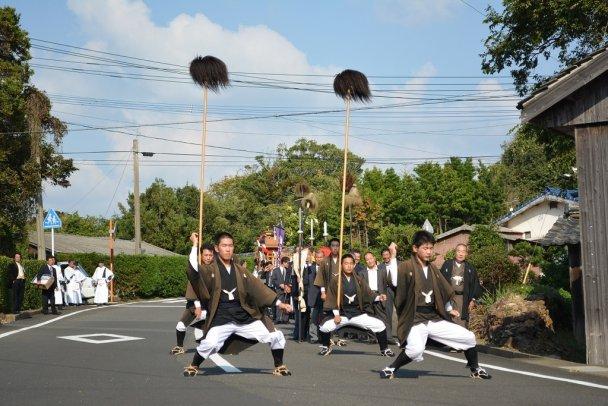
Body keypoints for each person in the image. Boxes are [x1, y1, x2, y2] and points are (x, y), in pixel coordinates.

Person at [380, 232, 491, 380]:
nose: (428, 251)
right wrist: (393, 256)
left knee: (469, 337)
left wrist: (449, 309)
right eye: (425, 248)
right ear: (415, 248)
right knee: (415, 349)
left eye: (431, 248)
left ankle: (475, 369)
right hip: (415, 320)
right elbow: (394, 281)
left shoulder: (433, 269)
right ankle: (391, 368)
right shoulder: (407, 266)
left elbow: (442, 292)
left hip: (433, 318)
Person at [183, 232, 294, 377]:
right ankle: (194, 365)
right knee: (210, 344)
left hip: (244, 317)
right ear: (217, 248)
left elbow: (258, 288)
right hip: (221, 318)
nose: (228, 249)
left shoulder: (240, 270)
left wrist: (280, 304)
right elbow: (194, 271)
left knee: (275, 336)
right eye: (224, 246)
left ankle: (279, 365)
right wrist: (195, 245)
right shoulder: (210, 269)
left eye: (230, 246)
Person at [318, 254, 394, 357]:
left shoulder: (359, 279)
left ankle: (384, 349)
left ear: (354, 265)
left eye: (351, 263)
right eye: (346, 263)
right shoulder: (336, 280)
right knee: (324, 327)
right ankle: (326, 347)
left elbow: (369, 294)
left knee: (380, 325)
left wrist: (379, 297)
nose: (348, 266)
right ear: (341, 265)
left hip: (358, 314)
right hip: (342, 314)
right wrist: (336, 314)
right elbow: (332, 298)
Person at [171, 243, 215, 355]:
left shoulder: (215, 269)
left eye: (210, 255)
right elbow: (194, 288)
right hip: (194, 304)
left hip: (209, 304)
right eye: (206, 255)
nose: (208, 257)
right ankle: (179, 346)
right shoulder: (197, 269)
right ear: (201, 255)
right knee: (180, 326)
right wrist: (195, 244)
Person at [440, 244, 481, 328]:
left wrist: (473, 299)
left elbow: (475, 284)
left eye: (463, 251)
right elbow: (440, 281)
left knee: (461, 321)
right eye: (459, 251)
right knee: (448, 321)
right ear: (455, 252)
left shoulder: (470, 268)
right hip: (448, 297)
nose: (461, 254)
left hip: (462, 298)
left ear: (466, 254)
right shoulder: (447, 264)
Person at [358, 251, 389, 327]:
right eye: (367, 259)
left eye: (371, 258)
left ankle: (385, 338)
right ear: (365, 261)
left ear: (374, 258)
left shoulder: (382, 271)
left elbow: (385, 285)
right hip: (368, 298)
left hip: (380, 296)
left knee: (382, 320)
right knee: (369, 320)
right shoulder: (361, 273)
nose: (370, 261)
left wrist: (384, 296)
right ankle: (371, 338)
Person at [305, 250, 325, 342]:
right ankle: (313, 337)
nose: (319, 259)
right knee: (313, 317)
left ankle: (323, 336)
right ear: (315, 258)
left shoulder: (327, 269)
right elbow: (306, 282)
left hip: (324, 296)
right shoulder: (310, 269)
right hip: (313, 296)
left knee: (323, 318)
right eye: (317, 257)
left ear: (323, 258)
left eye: (321, 257)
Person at [381, 247, 397, 344]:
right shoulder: (380, 267)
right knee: (388, 313)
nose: (386, 257)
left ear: (390, 255)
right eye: (384, 255)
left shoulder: (397, 264)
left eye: (387, 254)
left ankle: (404, 334)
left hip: (398, 290)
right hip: (387, 290)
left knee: (401, 312)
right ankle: (389, 336)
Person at [270, 257, 292, 324]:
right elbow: (273, 280)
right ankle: (278, 319)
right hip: (279, 290)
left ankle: (285, 319)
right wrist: (280, 284)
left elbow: (290, 279)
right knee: (279, 303)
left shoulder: (289, 270)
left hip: (287, 290)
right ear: (283, 262)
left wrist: (289, 285)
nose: (289, 264)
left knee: (286, 303)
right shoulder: (276, 270)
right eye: (287, 263)